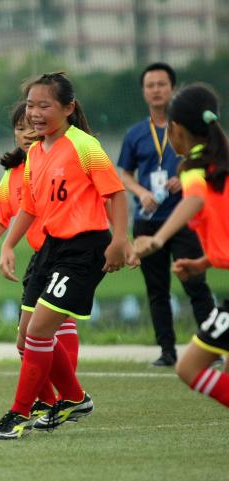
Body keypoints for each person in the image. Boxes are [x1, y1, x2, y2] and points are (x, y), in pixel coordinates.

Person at [0, 72, 129, 440]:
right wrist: (7, 244)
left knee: (39, 330)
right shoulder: (36, 152)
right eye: (31, 106)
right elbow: (30, 207)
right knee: (25, 337)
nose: (35, 113)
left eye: (44, 106)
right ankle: (73, 398)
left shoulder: (84, 146)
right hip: (52, 248)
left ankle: (19, 414)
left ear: (68, 108)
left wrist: (119, 241)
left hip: (84, 247)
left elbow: (115, 194)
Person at [0, 101, 80, 421]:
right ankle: (53, 400)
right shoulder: (13, 173)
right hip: (42, 258)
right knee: (31, 336)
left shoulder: (64, 158)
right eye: (19, 128)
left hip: (67, 253)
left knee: (47, 328)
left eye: (31, 126)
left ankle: (66, 398)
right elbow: (4, 215)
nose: (26, 133)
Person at [134, 83, 229, 408]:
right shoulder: (219, 165)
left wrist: (159, 238)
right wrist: (203, 263)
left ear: (175, 129)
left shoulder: (194, 169)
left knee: (189, 367)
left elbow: (194, 201)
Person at [118, 63, 214, 367]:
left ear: (173, 88)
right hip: (148, 221)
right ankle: (167, 351)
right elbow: (124, 174)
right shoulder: (135, 134)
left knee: (195, 283)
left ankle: (212, 348)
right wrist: (140, 192)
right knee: (157, 291)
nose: (156, 90)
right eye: (150, 85)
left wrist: (183, 177)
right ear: (144, 92)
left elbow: (206, 164)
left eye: (161, 84)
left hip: (186, 220)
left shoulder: (189, 129)